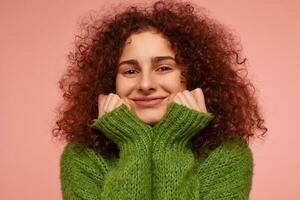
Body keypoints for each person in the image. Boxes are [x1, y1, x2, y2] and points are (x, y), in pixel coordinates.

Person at [52, 0, 268, 199]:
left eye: (163, 68)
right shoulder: (82, 156)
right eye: (130, 71)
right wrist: (133, 143)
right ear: (111, 81)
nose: (146, 84)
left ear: (193, 75)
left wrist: (171, 143)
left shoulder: (227, 154)